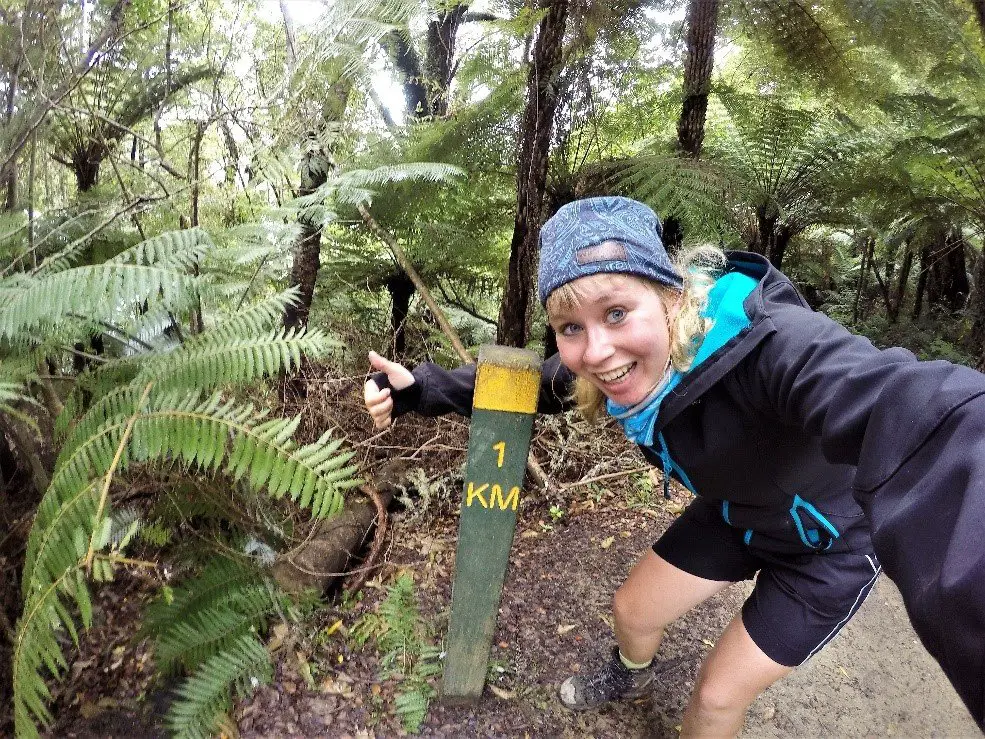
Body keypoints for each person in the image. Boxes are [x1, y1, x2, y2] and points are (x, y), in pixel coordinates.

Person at [364, 196, 985, 734]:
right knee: (634, 612)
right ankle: (631, 679)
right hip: (737, 513)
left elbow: (913, 411)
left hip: (829, 548)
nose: (596, 350)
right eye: (568, 326)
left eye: (615, 312)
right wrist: (419, 387)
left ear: (671, 296)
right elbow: (534, 383)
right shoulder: (601, 371)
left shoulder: (773, 346)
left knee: (715, 699)